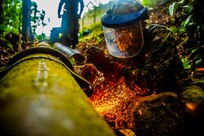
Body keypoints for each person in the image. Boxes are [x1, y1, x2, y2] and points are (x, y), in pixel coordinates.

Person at [86, 0, 188, 95]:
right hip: (145, 97)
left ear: (141, 26)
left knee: (193, 105)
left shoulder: (160, 37)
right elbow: (116, 82)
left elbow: (149, 83)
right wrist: (93, 75)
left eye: (124, 30)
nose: (118, 37)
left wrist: (108, 66)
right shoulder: (119, 48)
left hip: (177, 89)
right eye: (116, 31)